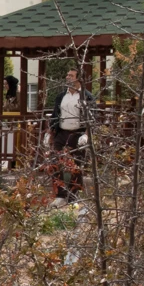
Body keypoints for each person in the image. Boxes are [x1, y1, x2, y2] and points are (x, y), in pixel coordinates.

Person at [48, 69, 93, 204]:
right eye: (67, 75)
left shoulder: (86, 96)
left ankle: (74, 196)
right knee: (55, 162)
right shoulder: (61, 96)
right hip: (61, 132)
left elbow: (93, 119)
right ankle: (60, 195)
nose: (67, 77)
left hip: (78, 133)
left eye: (71, 75)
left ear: (78, 78)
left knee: (76, 165)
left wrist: (86, 135)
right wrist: (50, 133)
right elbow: (55, 115)